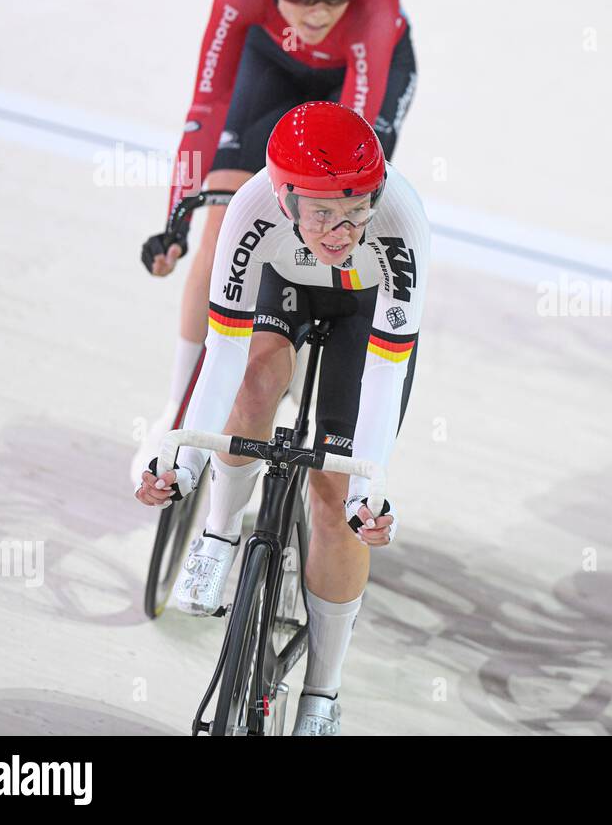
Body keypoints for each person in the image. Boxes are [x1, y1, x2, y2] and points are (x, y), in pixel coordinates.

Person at [135, 102, 430, 735]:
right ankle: (218, 536)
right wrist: (182, 462)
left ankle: (322, 694)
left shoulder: (401, 218)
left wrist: (368, 490)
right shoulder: (250, 207)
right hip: (284, 286)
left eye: (355, 211)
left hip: (364, 313)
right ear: (284, 197)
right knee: (254, 383)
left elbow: (385, 371)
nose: (340, 231)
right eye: (322, 211)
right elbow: (221, 352)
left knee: (334, 501)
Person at [133, 0, 418, 483]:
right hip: (273, 63)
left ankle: (309, 319)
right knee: (224, 218)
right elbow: (207, 106)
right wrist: (176, 220)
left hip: (355, 82)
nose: (317, 10)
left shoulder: (375, 1)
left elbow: (347, 152)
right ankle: (176, 411)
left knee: (338, 205)